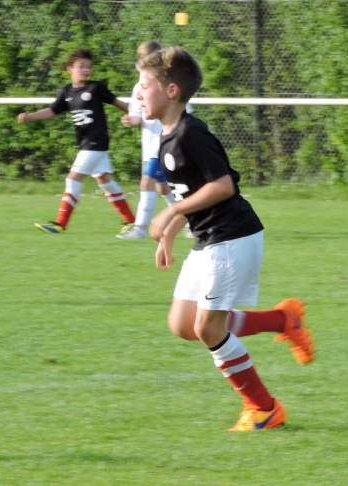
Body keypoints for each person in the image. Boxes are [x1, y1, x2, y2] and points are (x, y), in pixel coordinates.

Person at [136, 46, 316, 431]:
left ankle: (265, 408)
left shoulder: (190, 133)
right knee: (183, 324)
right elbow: (188, 195)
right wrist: (168, 232)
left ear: (170, 92)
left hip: (232, 237)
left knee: (207, 329)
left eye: (145, 85)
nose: (137, 92)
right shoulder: (166, 139)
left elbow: (223, 185)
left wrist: (167, 213)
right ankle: (283, 319)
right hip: (209, 239)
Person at [18, 49, 136, 234]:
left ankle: (60, 224)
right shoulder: (66, 91)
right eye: (82, 66)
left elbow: (119, 103)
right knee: (105, 181)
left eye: (89, 66)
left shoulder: (95, 88)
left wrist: (141, 115)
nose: (86, 70)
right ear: (69, 69)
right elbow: (51, 111)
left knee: (72, 179)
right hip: (87, 143)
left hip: (94, 142)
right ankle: (131, 221)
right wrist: (30, 117)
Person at [118, 40, 195, 240]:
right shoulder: (139, 87)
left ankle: (140, 228)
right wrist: (131, 119)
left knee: (146, 183)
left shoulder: (170, 85)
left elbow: (184, 113)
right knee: (164, 187)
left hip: (163, 145)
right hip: (150, 146)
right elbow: (137, 114)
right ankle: (191, 222)